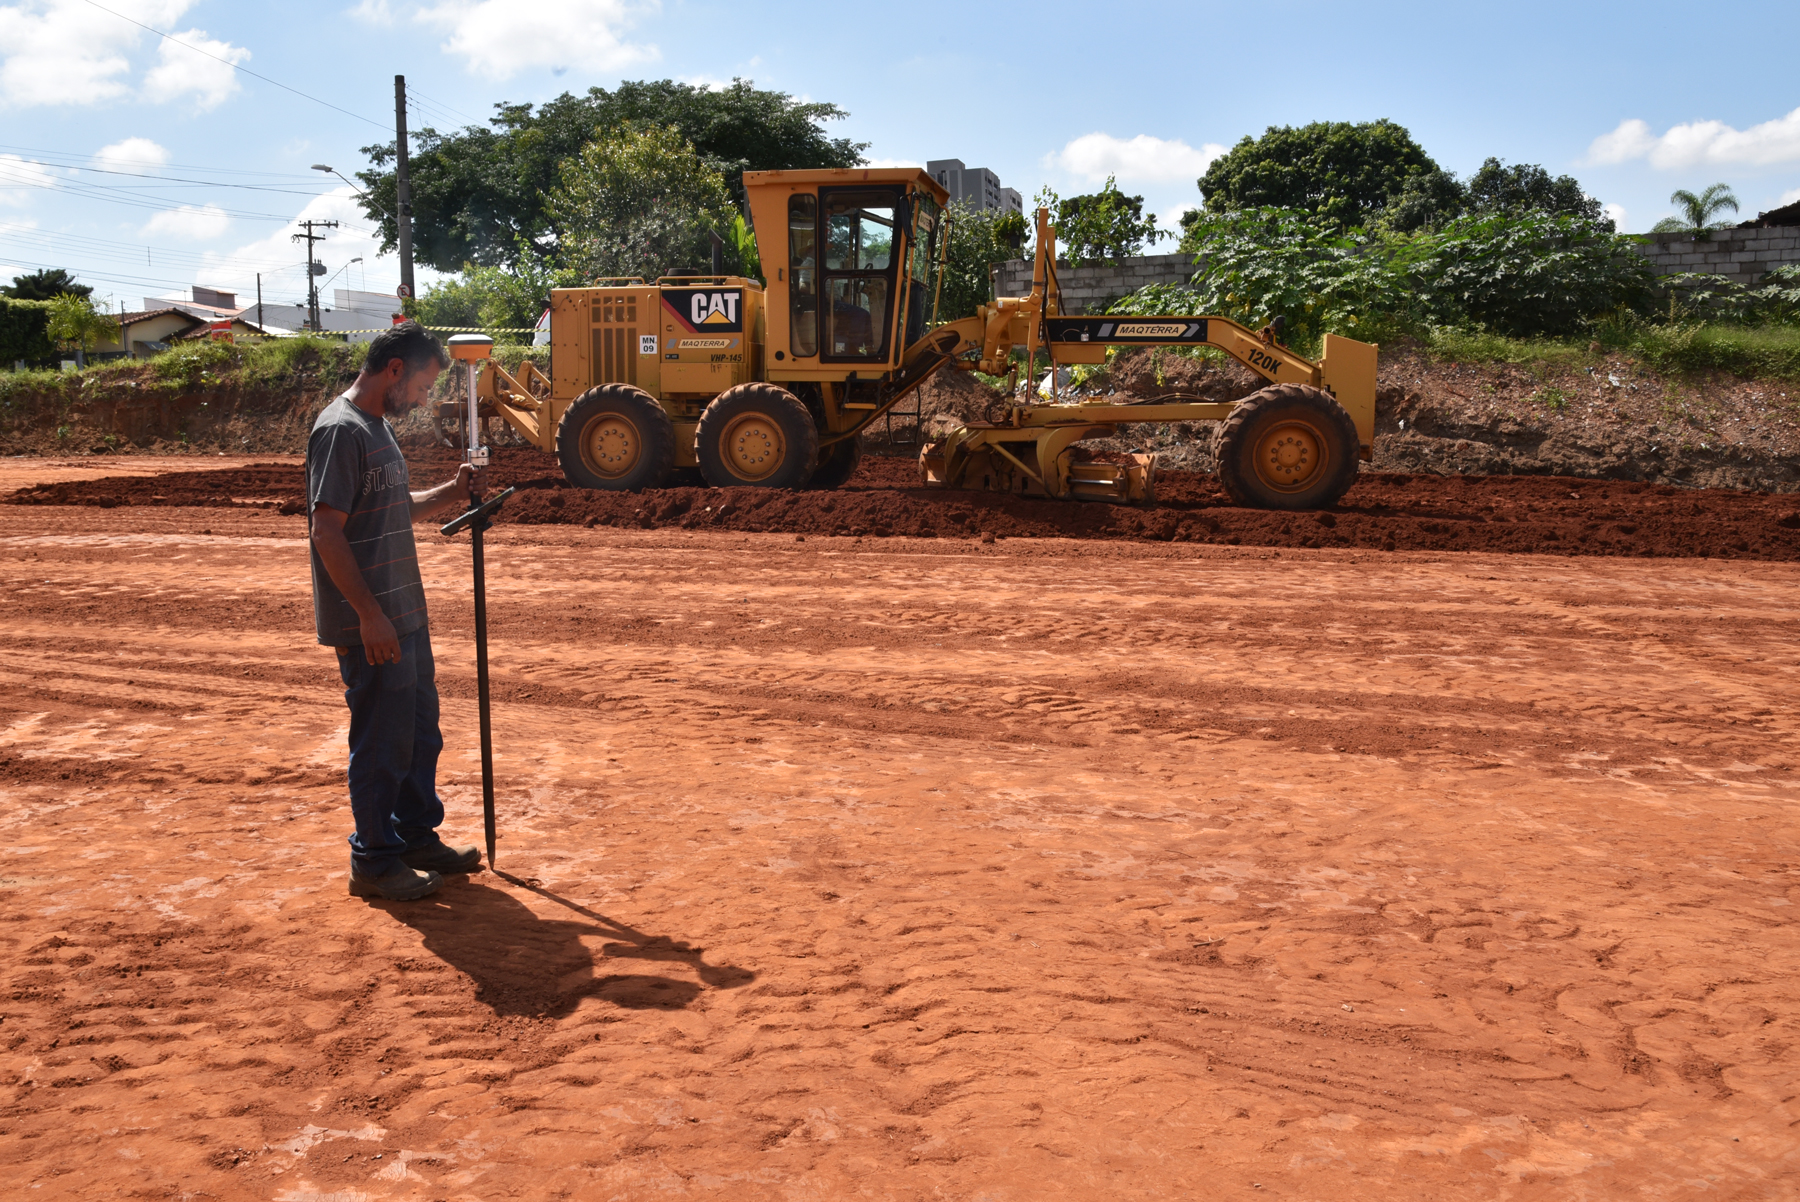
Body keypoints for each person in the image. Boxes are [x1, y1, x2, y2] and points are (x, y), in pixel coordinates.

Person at [306, 322, 485, 901]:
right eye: (426, 386)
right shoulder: (340, 430)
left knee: (417, 734)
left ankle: (413, 836)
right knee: (382, 741)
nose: (426, 399)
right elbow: (326, 531)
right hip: (372, 622)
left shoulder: (377, 427)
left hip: (406, 613)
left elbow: (393, 508)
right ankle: (375, 861)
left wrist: (453, 493)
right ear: (395, 370)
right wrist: (368, 615)